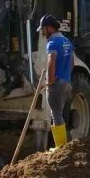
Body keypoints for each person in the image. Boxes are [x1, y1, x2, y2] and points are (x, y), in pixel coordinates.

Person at [38, 14, 73, 149]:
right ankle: (62, 147)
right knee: (59, 112)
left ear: (50, 28)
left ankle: (60, 147)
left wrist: (50, 80)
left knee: (56, 114)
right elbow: (71, 63)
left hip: (56, 84)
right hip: (66, 82)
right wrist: (65, 77)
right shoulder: (67, 42)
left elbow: (51, 61)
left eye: (44, 29)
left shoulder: (52, 43)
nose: (43, 32)